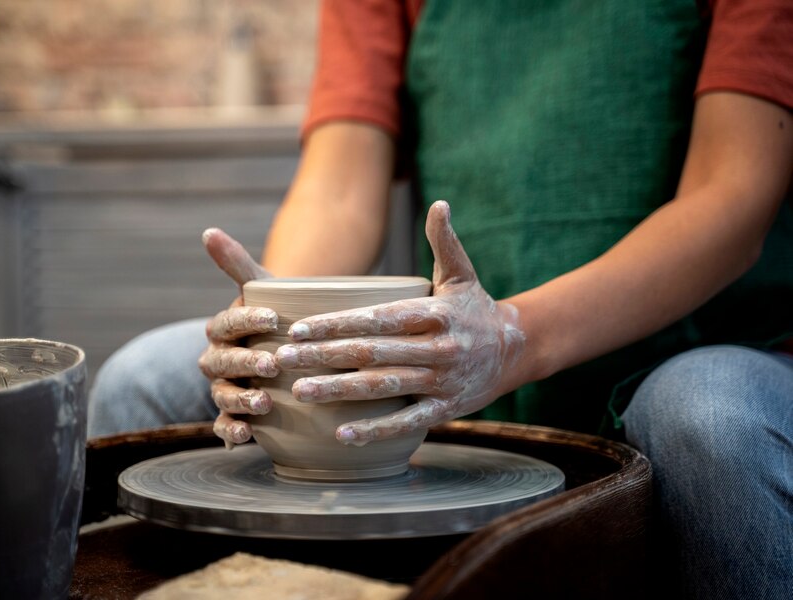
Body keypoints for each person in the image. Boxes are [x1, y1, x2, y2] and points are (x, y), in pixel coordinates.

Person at [88, 1, 793, 597]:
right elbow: (339, 188)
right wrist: (275, 333)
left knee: (710, 416)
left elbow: (732, 198)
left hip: (694, 338)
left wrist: (515, 337)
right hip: (461, 362)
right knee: (143, 378)